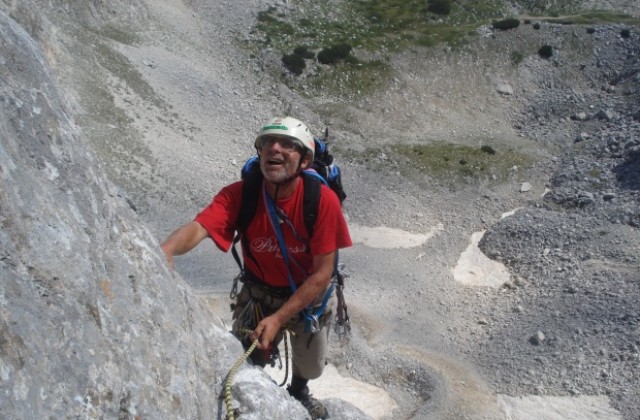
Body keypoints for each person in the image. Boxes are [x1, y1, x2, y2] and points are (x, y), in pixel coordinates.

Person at [161, 117, 352, 419]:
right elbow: (200, 227)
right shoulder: (242, 195)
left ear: (304, 160)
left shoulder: (321, 201)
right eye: (267, 143)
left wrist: (278, 318)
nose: (273, 149)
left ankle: (299, 389)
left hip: (306, 298)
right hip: (259, 294)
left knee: (312, 366)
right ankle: (252, 390)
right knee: (249, 356)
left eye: (287, 145)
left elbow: (322, 273)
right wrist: (165, 251)